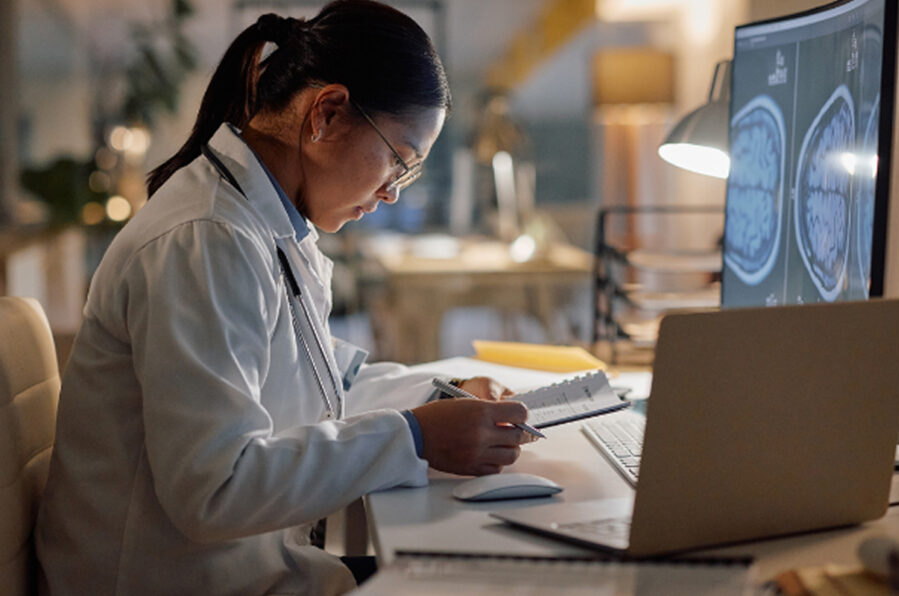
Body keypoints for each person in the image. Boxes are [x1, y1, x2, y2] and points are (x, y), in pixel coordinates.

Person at [34, 2, 533, 594]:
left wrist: (442, 397)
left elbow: (325, 384)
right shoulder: (208, 238)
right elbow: (215, 489)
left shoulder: (264, 222)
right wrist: (417, 437)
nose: (391, 194)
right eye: (399, 161)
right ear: (326, 114)